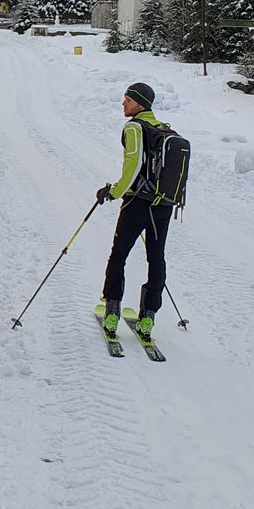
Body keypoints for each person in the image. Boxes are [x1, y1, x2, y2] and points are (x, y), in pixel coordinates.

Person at [94, 82, 171, 338]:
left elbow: (134, 163)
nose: (123, 104)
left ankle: (113, 312)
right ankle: (148, 317)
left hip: (138, 202)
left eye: (127, 99)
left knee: (119, 254)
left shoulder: (134, 127)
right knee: (156, 256)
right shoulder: (163, 130)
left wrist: (115, 191)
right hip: (163, 204)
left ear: (139, 103)